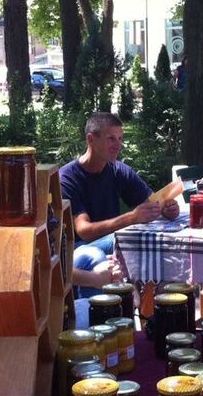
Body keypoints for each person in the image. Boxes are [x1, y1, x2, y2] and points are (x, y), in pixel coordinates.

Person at [0, 142, 124, 319]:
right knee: (97, 310)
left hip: (24, 300)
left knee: (92, 254)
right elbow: (26, 271)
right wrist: (93, 278)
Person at [60, 112, 179, 296]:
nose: (118, 145)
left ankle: (158, 304)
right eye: (111, 139)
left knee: (161, 238)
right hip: (80, 249)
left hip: (114, 241)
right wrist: (132, 218)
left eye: (120, 139)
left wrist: (166, 209)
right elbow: (84, 231)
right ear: (91, 139)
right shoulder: (68, 178)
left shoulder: (118, 170)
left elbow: (151, 202)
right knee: (135, 240)